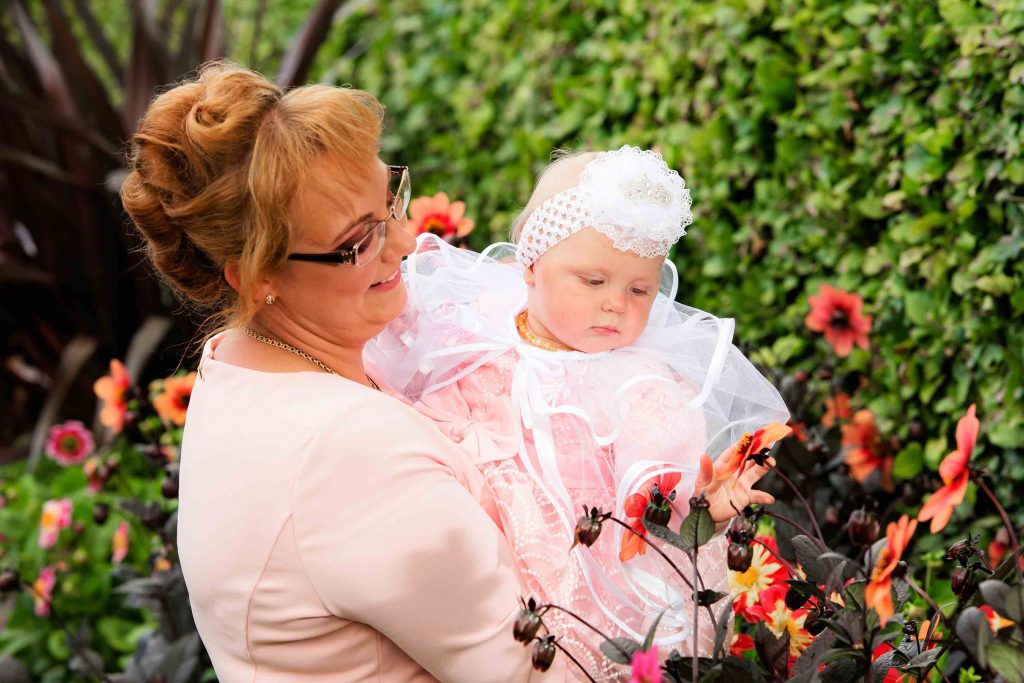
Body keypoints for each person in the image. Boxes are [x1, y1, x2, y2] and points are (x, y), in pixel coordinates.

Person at [120, 62, 561, 682]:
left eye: (392, 201)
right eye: (359, 241)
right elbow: (534, 667)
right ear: (257, 277)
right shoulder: (348, 452)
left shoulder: (239, 366)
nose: (406, 243)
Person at [369, 146, 791, 678]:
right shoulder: (475, 329)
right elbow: (399, 366)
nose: (617, 303)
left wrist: (705, 506)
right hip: (468, 548)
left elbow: (655, 495)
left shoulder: (641, 385)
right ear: (531, 266)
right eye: (593, 281)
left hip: (588, 566)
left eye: (639, 289)